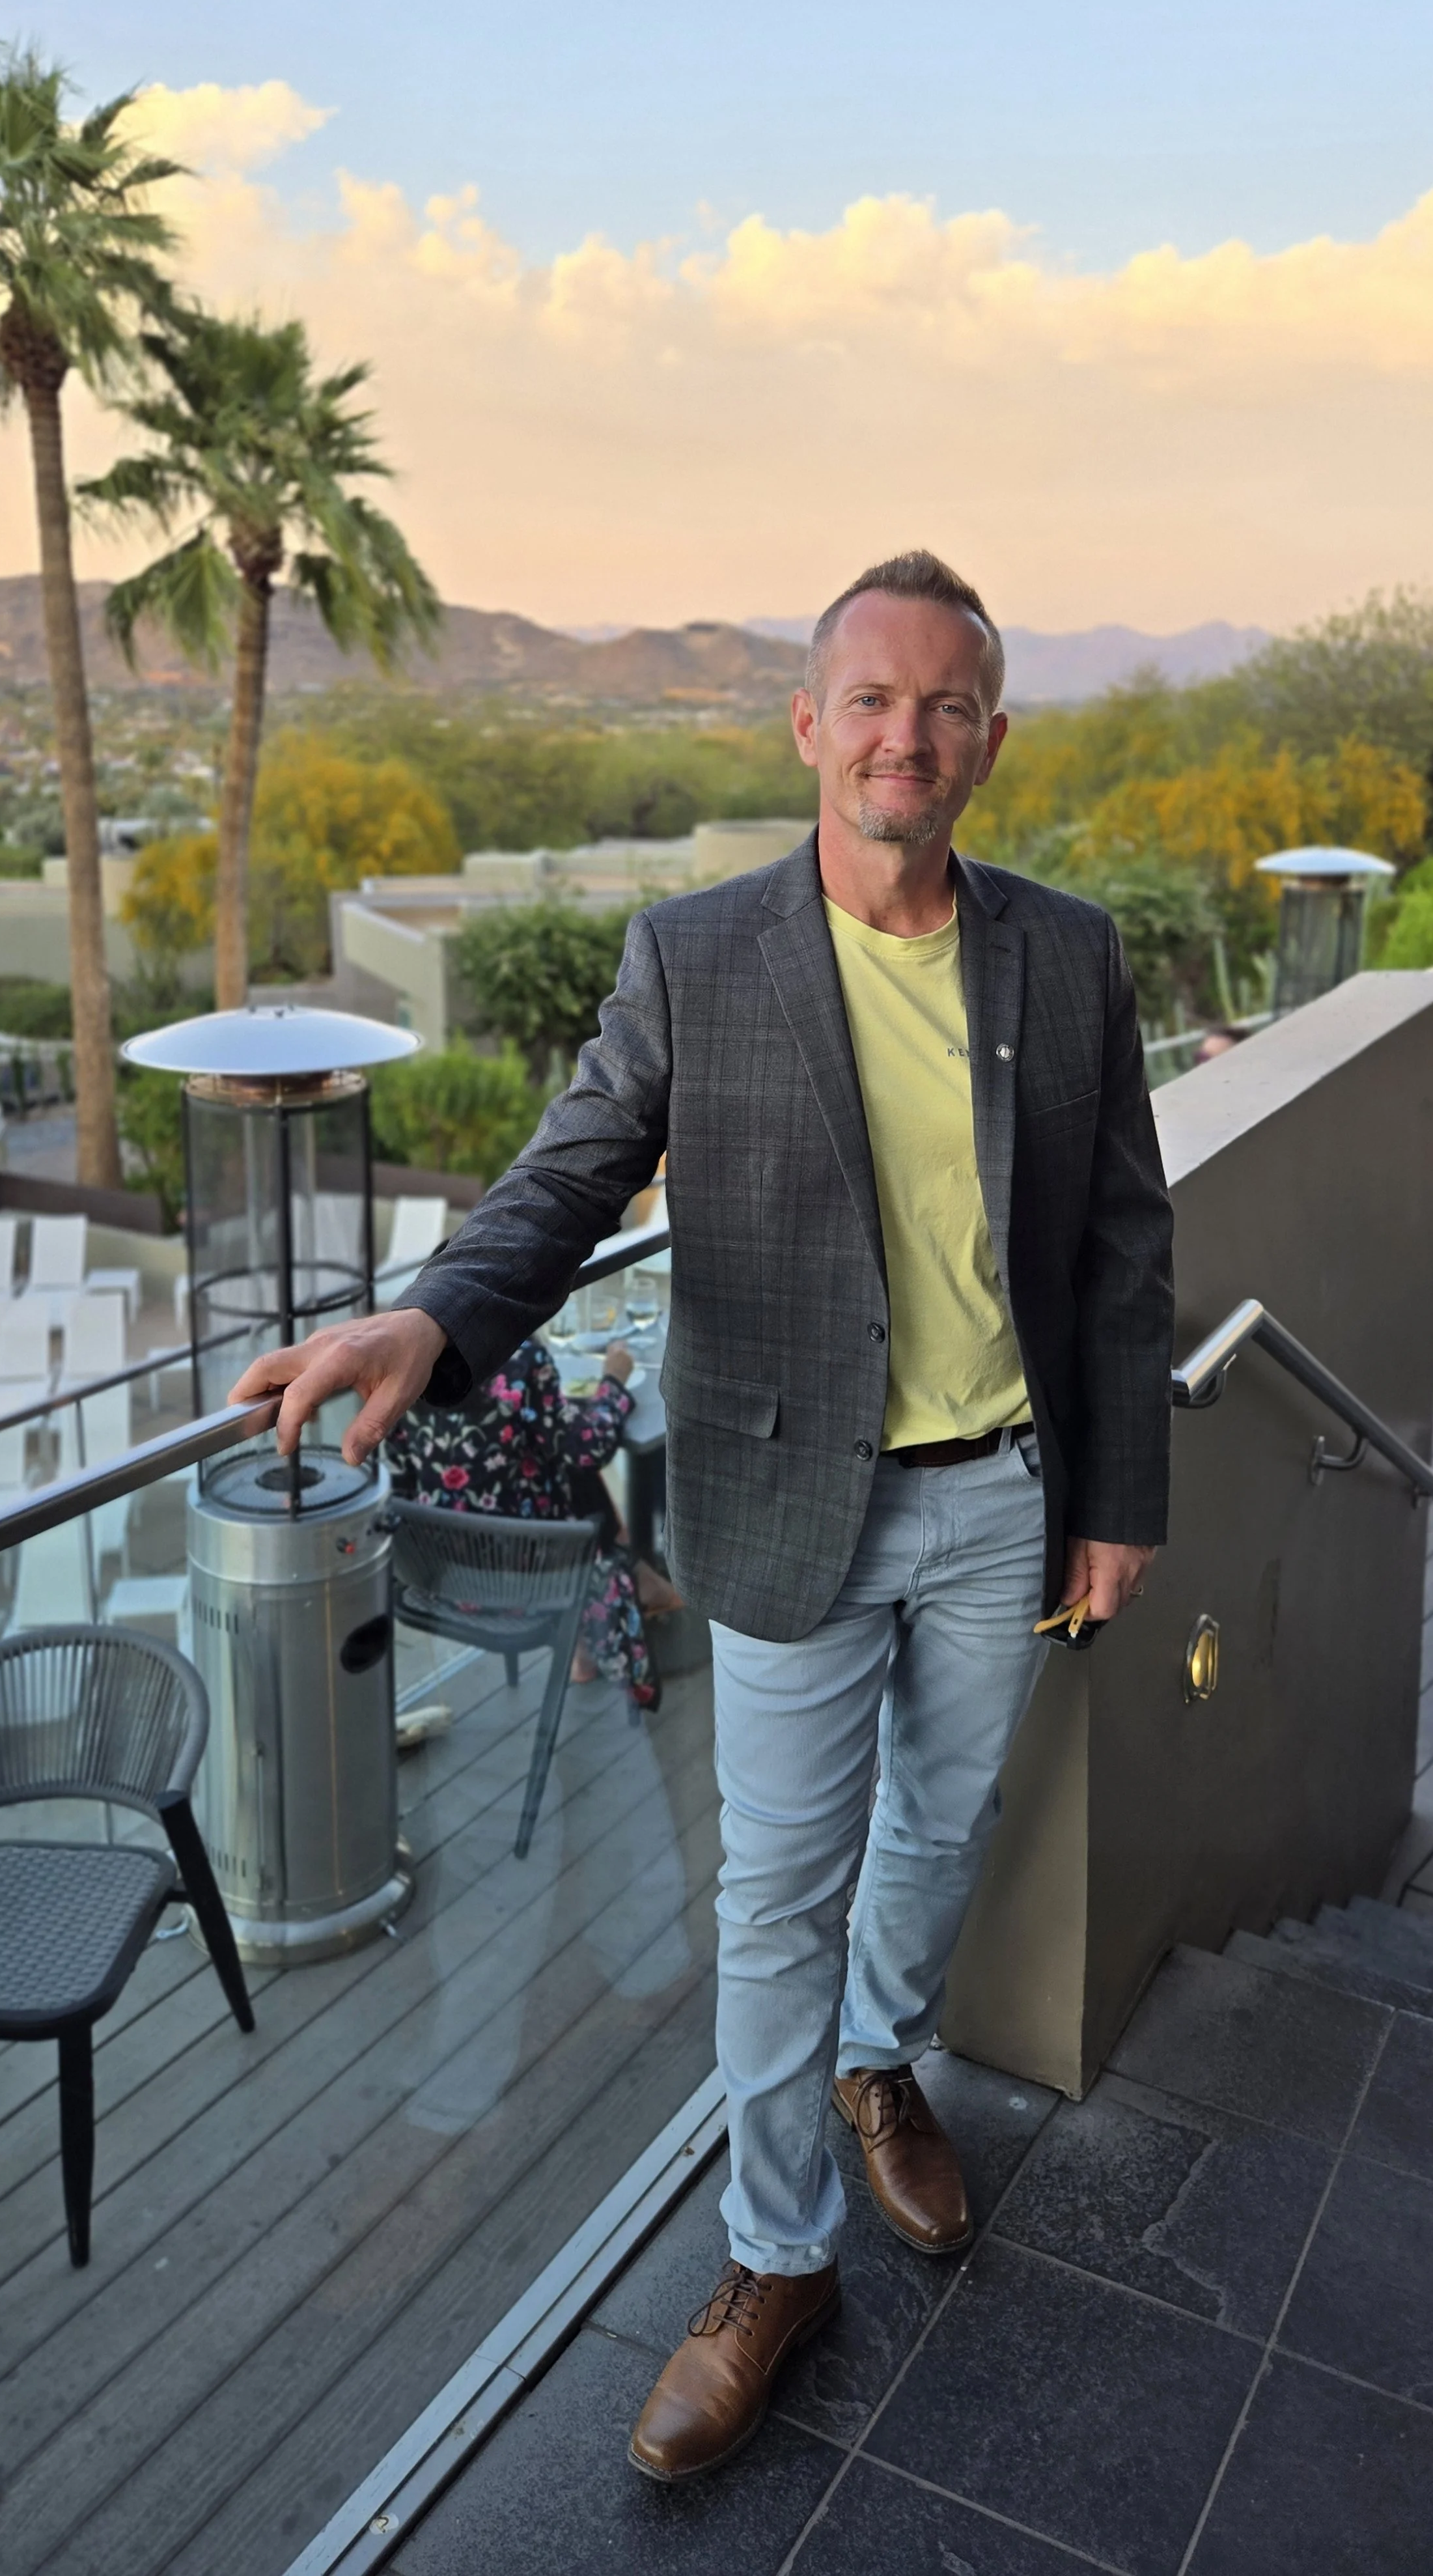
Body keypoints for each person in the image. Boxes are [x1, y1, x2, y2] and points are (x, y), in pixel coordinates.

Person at [231, 549, 1175, 2484]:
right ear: (807, 726)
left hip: (1008, 1505)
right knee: (769, 1895)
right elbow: (570, 1172)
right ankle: (769, 2262)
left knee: (940, 1828)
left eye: (942, 704)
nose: (902, 733)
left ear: (986, 739)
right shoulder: (699, 954)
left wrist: (1117, 1505)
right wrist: (430, 1312)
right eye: (869, 698)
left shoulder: (1063, 955)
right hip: (776, 1507)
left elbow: (1118, 1244)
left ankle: (873, 2062)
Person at [386, 1330, 671, 1706]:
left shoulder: (403, 1354)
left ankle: (610, 1609)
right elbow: (589, 1448)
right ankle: (627, 1581)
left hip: (442, 1575)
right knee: (568, 1462)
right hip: (533, 1581)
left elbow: (398, 1480)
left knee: (552, 1459)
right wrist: (615, 1381)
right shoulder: (520, 1361)